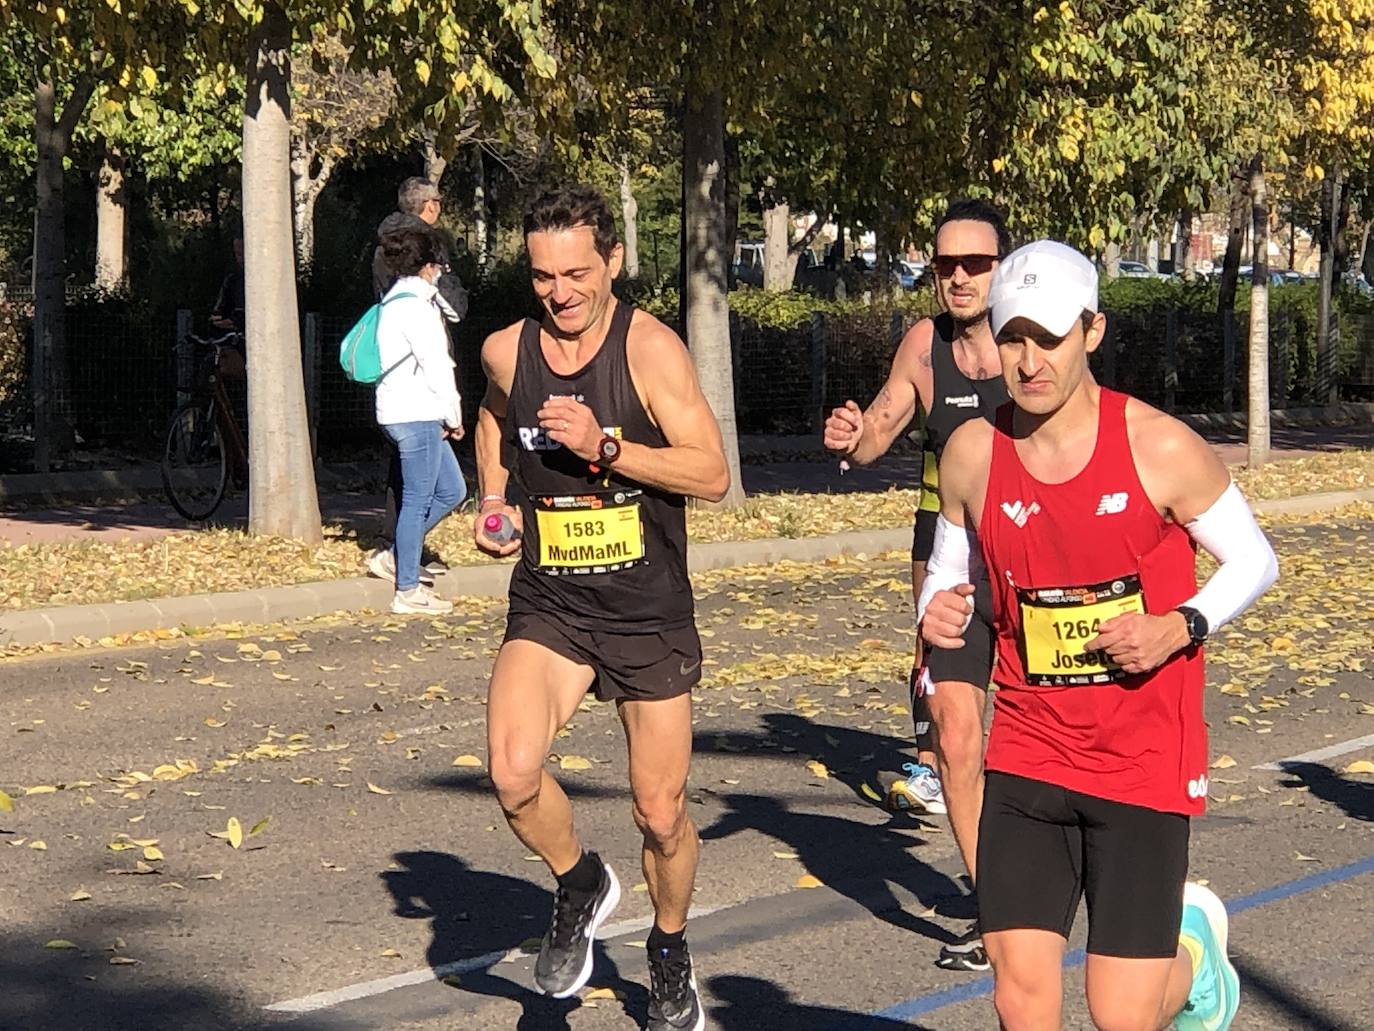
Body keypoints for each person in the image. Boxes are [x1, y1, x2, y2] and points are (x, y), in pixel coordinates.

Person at [920, 239, 1277, 1031]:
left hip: (1141, 758)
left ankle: (1197, 961)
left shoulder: (1158, 446)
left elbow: (1256, 559)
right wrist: (938, 613)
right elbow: (950, 583)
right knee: (1020, 996)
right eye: (1013, 336)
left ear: (1091, 331)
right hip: (1029, 749)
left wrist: (1177, 627)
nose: (1029, 358)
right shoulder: (973, 454)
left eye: (1048, 336)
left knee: (1124, 1015)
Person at [474, 184, 727, 1031]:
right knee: (512, 772)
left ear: (613, 261)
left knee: (660, 813)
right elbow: (493, 415)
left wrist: (606, 446)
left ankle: (668, 945)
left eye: (577, 271)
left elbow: (711, 473)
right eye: (543, 275)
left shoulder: (649, 349)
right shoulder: (508, 350)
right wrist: (494, 499)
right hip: (551, 602)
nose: (560, 291)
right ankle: (580, 880)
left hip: (645, 610)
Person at [823, 198, 1012, 971]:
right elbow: (880, 429)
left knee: (1044, 743)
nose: (959, 277)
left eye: (976, 263)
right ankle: (997, 911)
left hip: (1038, 564)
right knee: (957, 736)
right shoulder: (923, 343)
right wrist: (852, 434)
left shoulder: (1032, 341)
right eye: (946, 264)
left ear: (1002, 268)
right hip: (954, 565)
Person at [371, 176, 469, 581]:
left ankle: (401, 554)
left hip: (401, 397)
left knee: (447, 489)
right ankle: (405, 579)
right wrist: (453, 413)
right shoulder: (418, 297)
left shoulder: (383, 259)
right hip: (418, 402)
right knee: (418, 495)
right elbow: (437, 358)